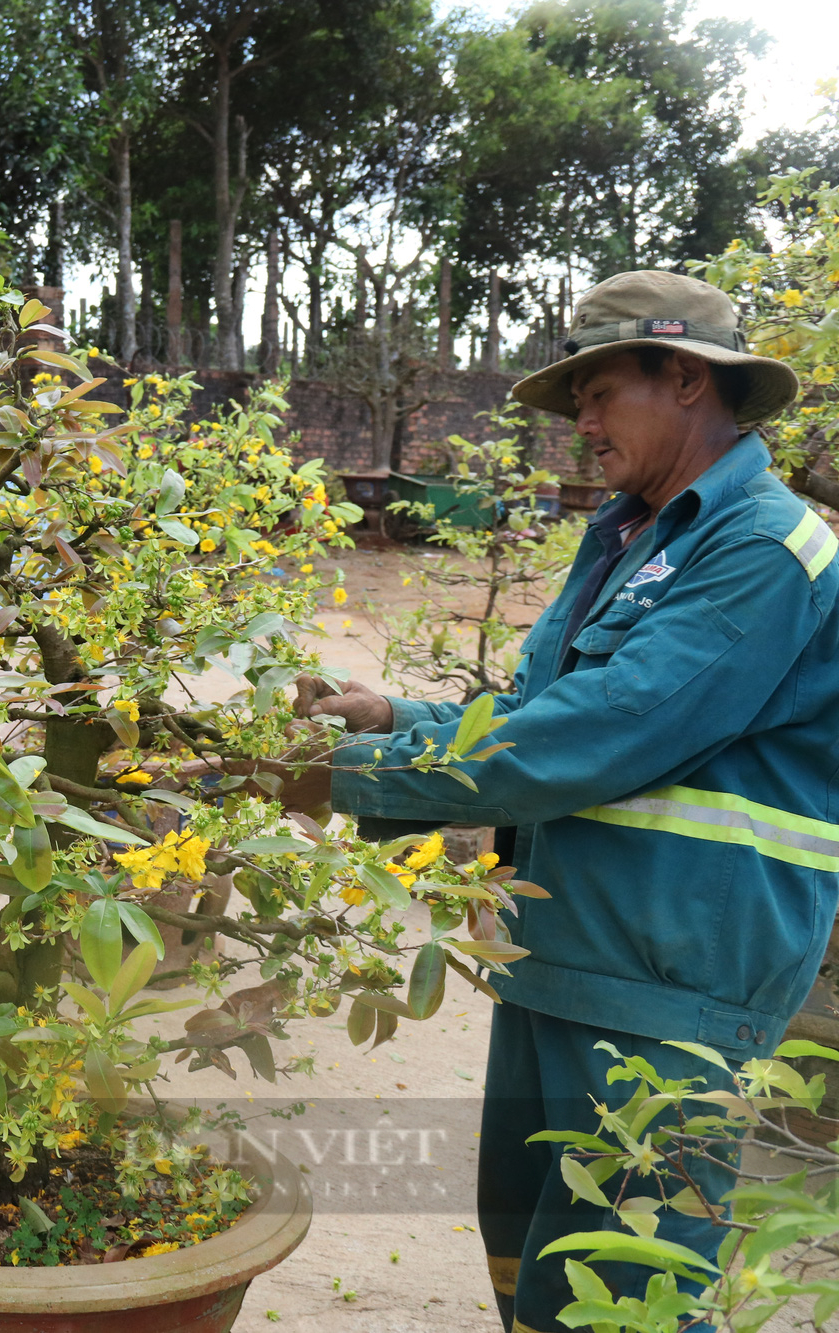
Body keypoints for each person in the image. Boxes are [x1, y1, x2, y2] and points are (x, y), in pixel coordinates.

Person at [269, 270, 831, 1333]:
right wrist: (390, 718)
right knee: (528, 1256)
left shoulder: (761, 547)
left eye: (594, 390)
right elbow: (532, 715)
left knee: (622, 1295)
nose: (578, 422)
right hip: (565, 951)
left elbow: (600, 731)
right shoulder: (631, 535)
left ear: (681, 377)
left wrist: (321, 777)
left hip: (672, 982)